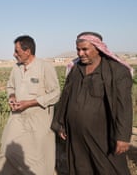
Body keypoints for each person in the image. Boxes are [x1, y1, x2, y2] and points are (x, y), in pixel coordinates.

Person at [51, 31, 133, 175]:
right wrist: (60, 123)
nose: (80, 53)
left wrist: (123, 136)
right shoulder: (75, 69)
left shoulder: (116, 71)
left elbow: (124, 105)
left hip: (103, 136)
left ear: (98, 48)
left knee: (108, 169)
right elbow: (66, 98)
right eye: (78, 49)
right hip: (76, 136)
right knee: (80, 168)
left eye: (85, 49)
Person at [0, 35, 61, 174]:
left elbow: (55, 93)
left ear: (28, 51)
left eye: (17, 51)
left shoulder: (45, 67)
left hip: (39, 119)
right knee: (7, 148)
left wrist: (30, 103)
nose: (14, 54)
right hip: (17, 117)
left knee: (38, 155)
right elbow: (10, 87)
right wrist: (12, 97)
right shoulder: (16, 68)